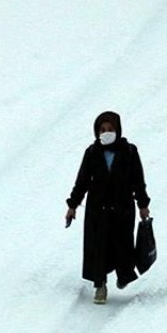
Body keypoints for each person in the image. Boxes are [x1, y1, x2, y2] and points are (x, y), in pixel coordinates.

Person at [65, 110, 151, 304]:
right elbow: (82, 181)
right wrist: (73, 205)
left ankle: (123, 275)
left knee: (122, 245)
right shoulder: (92, 152)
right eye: (102, 129)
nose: (106, 132)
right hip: (98, 210)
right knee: (99, 247)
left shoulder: (129, 151)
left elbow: (138, 181)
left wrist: (143, 204)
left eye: (110, 129)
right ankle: (100, 286)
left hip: (123, 209)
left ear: (118, 129)